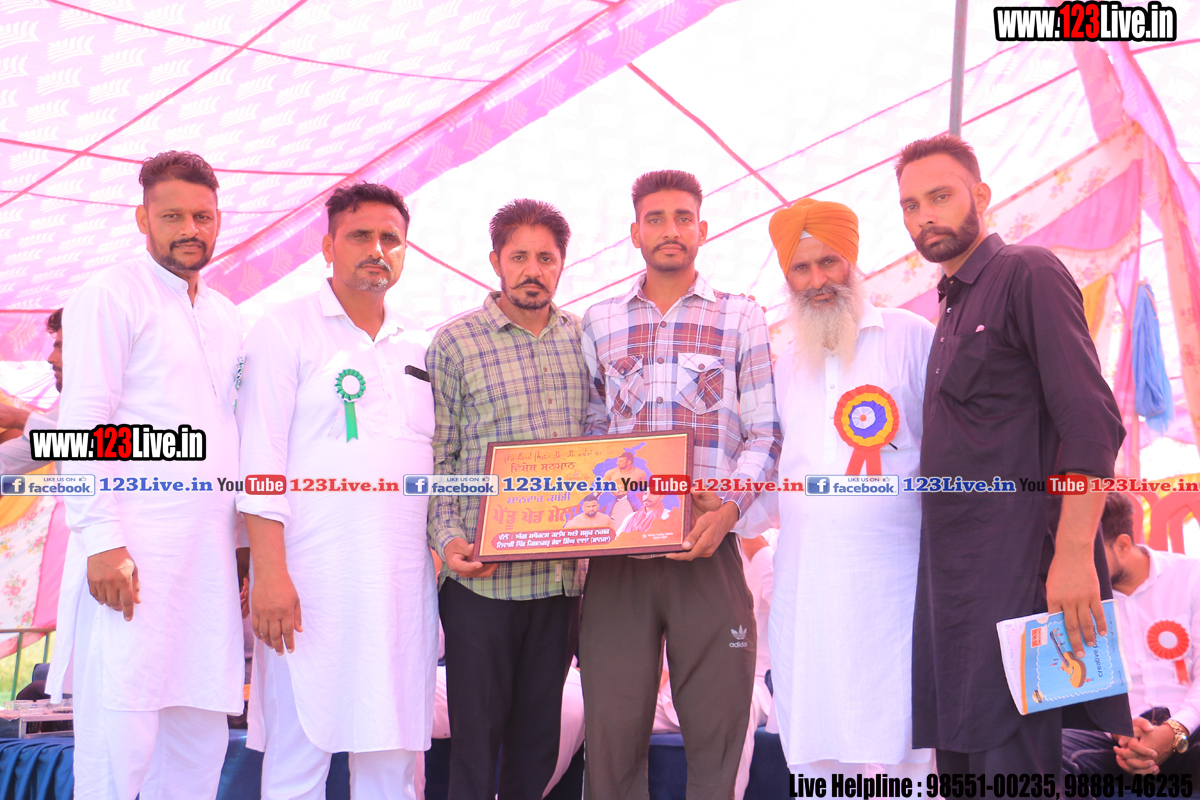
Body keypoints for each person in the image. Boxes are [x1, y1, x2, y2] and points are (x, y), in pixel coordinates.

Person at [897, 134, 1131, 775]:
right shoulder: (948, 308)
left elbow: (1091, 422)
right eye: (911, 205)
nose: (925, 216)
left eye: (940, 197)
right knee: (962, 774)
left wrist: (1074, 555)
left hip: (1022, 582)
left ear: (980, 195)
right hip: (955, 597)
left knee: (1014, 775)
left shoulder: (1027, 272)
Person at [580, 169, 781, 799]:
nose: (671, 230)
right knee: (611, 732)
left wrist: (729, 508)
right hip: (618, 554)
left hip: (709, 545)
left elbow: (765, 431)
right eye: (656, 218)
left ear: (702, 228)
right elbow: (590, 433)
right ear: (634, 231)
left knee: (719, 732)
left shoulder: (741, 315)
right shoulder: (599, 321)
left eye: (683, 217)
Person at [237, 183, 436, 799]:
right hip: (309, 583)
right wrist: (270, 573)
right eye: (359, 235)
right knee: (299, 756)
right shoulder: (283, 329)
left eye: (390, 238)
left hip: (400, 587)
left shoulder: (420, 343)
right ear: (328, 246)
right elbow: (259, 458)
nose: (376, 249)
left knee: (392, 759)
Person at [56, 151, 244, 799]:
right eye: (173, 216)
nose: (190, 229)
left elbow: (230, 433)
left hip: (207, 566)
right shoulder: (110, 296)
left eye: (203, 216)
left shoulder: (225, 314)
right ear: (142, 219)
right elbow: (82, 424)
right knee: (121, 739)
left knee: (198, 737)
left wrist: (244, 550)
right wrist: (102, 540)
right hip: (133, 556)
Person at [762, 198, 934, 779]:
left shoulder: (911, 338)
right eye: (801, 268)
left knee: (907, 747)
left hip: (896, 586)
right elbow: (775, 482)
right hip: (809, 587)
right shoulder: (785, 366)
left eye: (829, 262)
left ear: (853, 263)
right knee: (820, 750)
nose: (818, 281)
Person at [426, 199, 589, 800]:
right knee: (474, 746)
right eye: (519, 256)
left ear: (562, 264)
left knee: (537, 745)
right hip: (482, 582)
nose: (532, 270)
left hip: (559, 581)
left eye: (546, 258)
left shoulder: (583, 339)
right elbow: (440, 458)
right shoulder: (455, 344)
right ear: (495, 261)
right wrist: (448, 540)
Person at [1063, 492, 1199, 777]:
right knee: (1039, 752)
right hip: (1111, 739)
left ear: (1123, 545)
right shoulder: (1069, 594)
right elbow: (1071, 682)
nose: (1076, 566)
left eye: (1085, 554)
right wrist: (1119, 731)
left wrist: (1177, 728)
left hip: (1190, 728)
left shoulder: (1190, 576)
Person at [651, 534, 776, 800]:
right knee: (615, 712)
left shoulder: (774, 543)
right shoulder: (692, 538)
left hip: (752, 683)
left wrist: (757, 549)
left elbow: (793, 607)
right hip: (676, 686)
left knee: (734, 703)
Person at [0, 308, 62, 475]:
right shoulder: (66, 410)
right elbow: (6, 462)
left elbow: (95, 446)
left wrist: (20, 418)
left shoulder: (127, 406)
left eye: (62, 348)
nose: (51, 358)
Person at [602, 450, 647, 525]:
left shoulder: (640, 473)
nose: (617, 463)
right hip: (614, 501)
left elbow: (643, 490)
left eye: (620, 461)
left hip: (632, 502)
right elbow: (601, 488)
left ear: (629, 462)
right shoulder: (611, 473)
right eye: (618, 461)